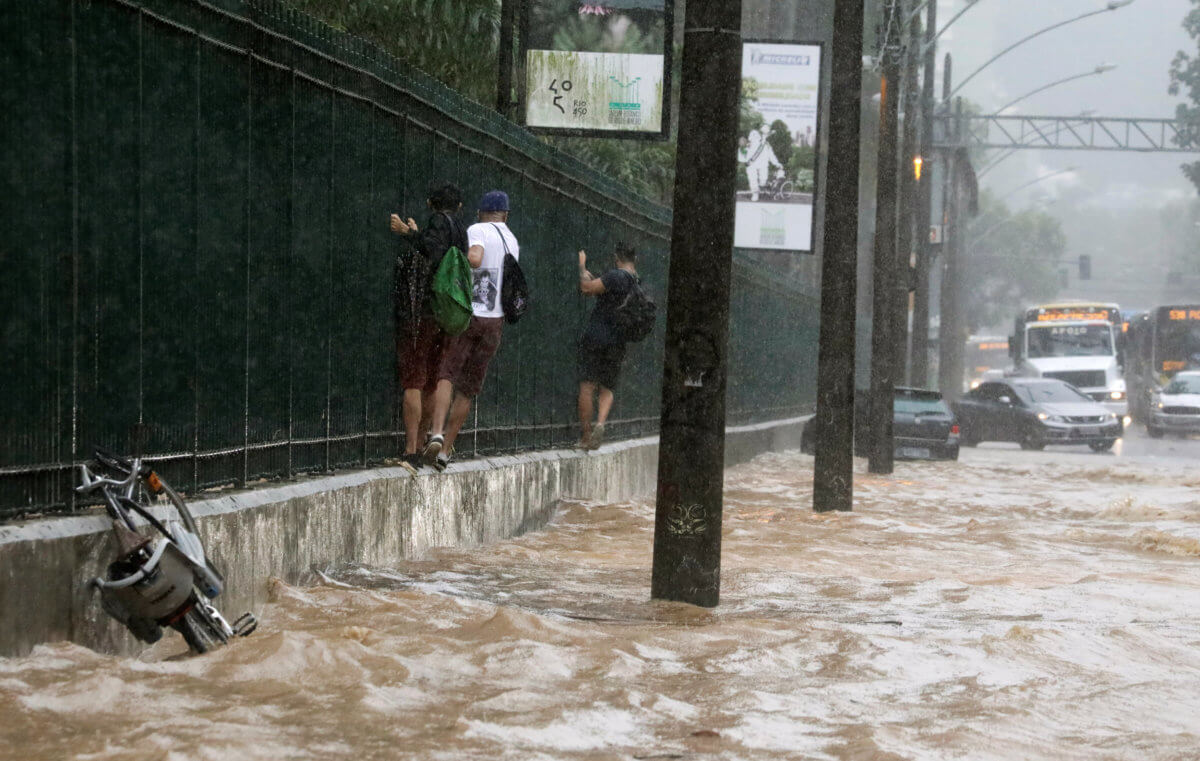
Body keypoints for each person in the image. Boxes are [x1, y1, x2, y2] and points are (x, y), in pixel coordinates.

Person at [423, 190, 519, 470]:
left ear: (481, 212)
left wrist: (460, 260)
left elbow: (475, 258)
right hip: (495, 321)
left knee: (446, 373)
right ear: (506, 214)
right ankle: (446, 451)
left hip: (470, 316)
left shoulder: (477, 229)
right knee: (469, 388)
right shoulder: (511, 240)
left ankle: (436, 432)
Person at [390, 181, 467, 474]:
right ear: (459, 207)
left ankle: (410, 450)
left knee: (413, 379)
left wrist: (408, 232)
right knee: (433, 380)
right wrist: (418, 232)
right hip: (447, 313)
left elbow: (432, 251)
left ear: (429, 204)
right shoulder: (460, 228)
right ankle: (425, 442)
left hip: (423, 310)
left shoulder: (437, 222)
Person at [576, 243, 639, 450]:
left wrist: (582, 268)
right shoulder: (636, 283)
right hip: (618, 340)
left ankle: (586, 436)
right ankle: (600, 424)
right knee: (607, 387)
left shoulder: (615, 276)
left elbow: (587, 288)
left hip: (597, 336)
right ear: (634, 259)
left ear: (617, 258)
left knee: (587, 385)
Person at [741, 124, 781, 202]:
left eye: (766, 133)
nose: (765, 135)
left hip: (763, 164)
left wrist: (777, 163)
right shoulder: (753, 136)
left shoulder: (767, 145)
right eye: (764, 133)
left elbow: (771, 156)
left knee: (763, 180)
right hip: (751, 164)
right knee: (753, 179)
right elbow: (748, 142)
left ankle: (761, 187)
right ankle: (755, 194)